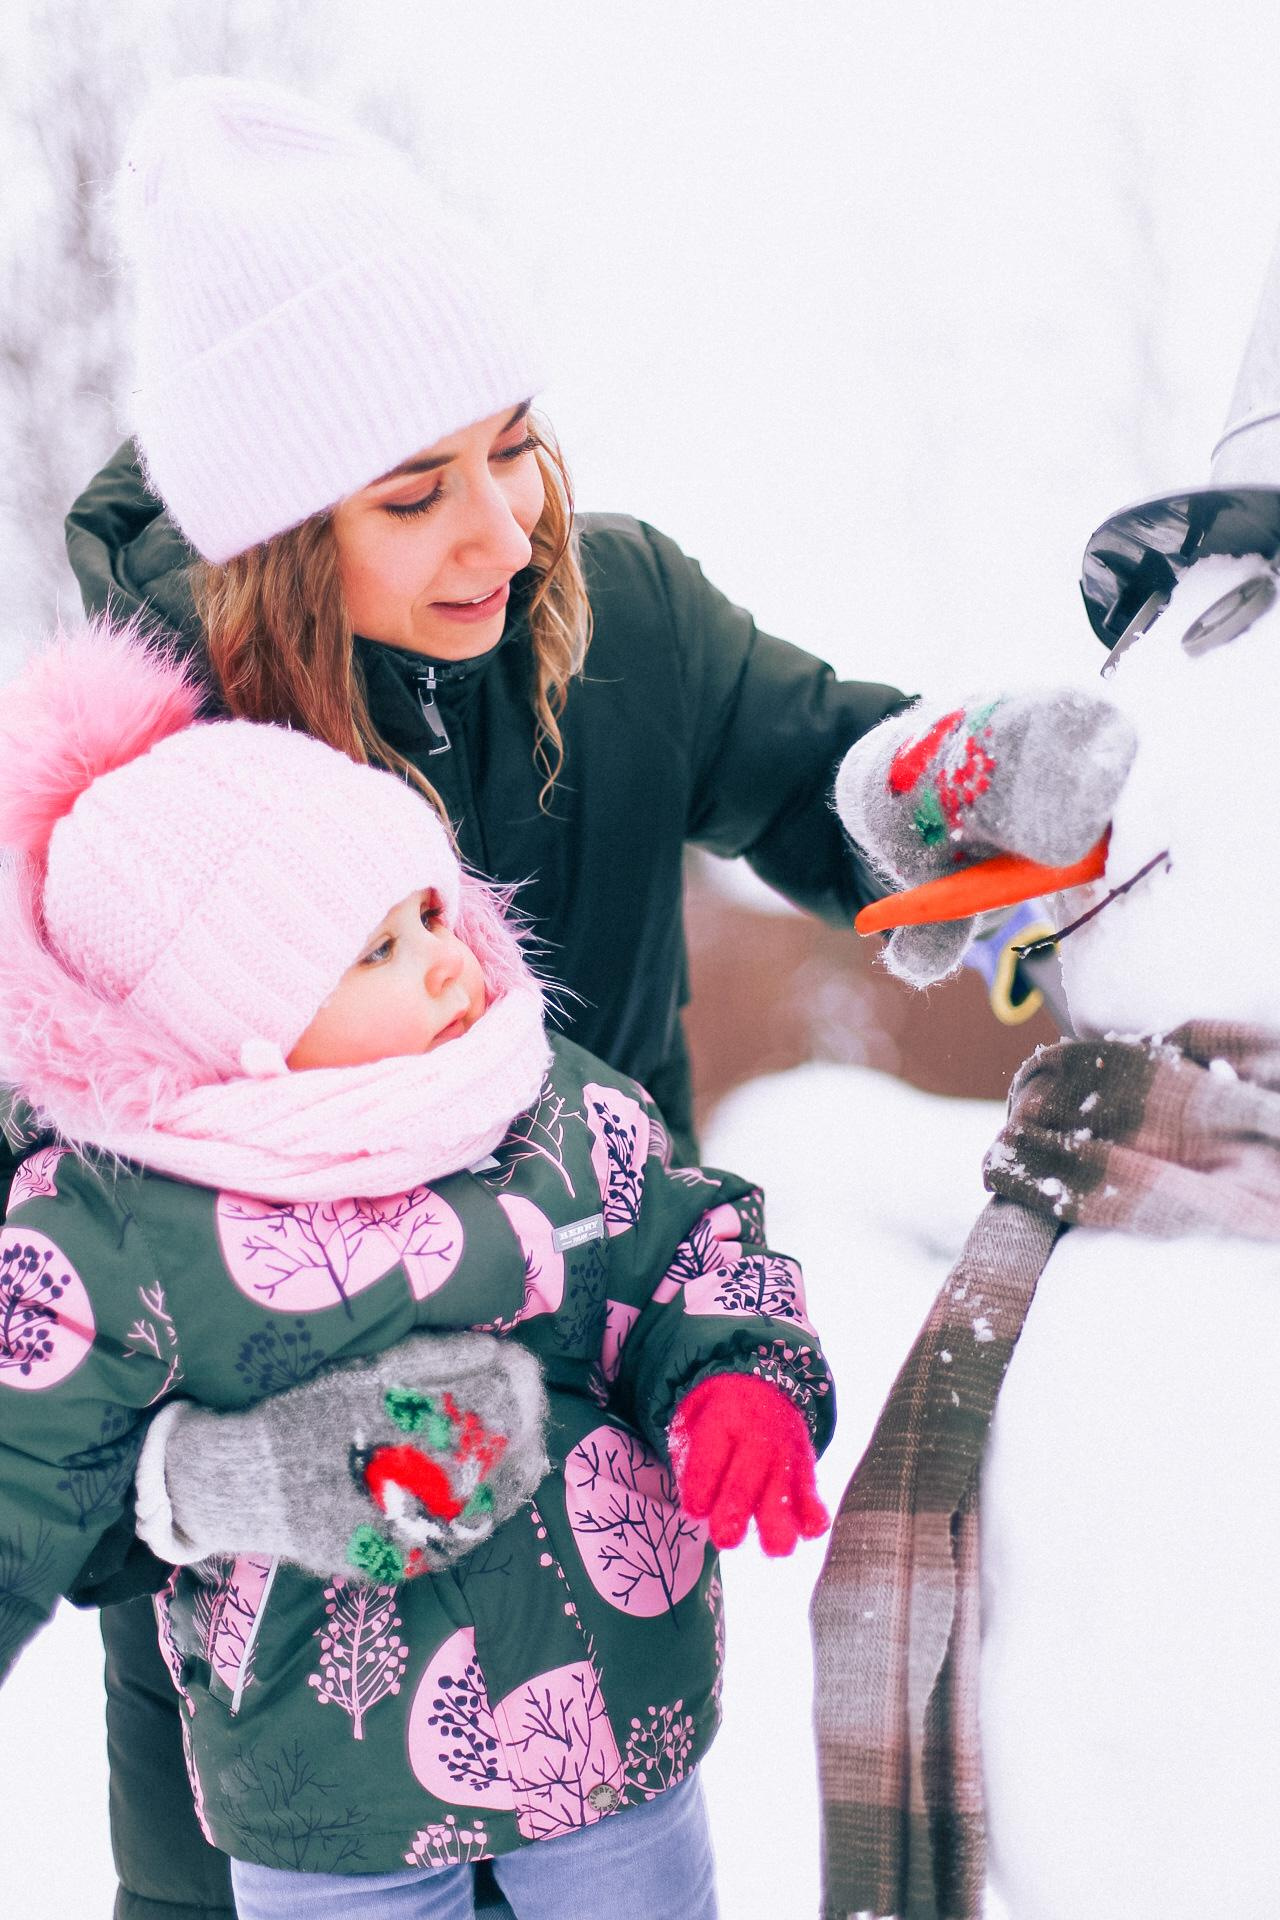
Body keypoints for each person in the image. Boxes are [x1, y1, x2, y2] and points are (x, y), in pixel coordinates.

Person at [30, 73, 910, 1920]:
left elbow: (841, 781)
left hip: (592, 1624)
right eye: (416, 491)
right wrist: (207, 1488)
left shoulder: (624, 618)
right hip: (267, 1709)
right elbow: (44, 1328)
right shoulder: (136, 829)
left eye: (516, 448)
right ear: (272, 538)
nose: (503, 532)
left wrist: (962, 786)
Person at [0, 623, 833, 1920]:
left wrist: (739, 1379)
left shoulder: (541, 1103)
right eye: (376, 952)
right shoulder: (123, 1224)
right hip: (326, 1785)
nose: (452, 960)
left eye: (429, 913)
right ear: (244, 1028)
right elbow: (21, 1461)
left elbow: (688, 1245)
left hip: (612, 1721)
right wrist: (220, 1478)